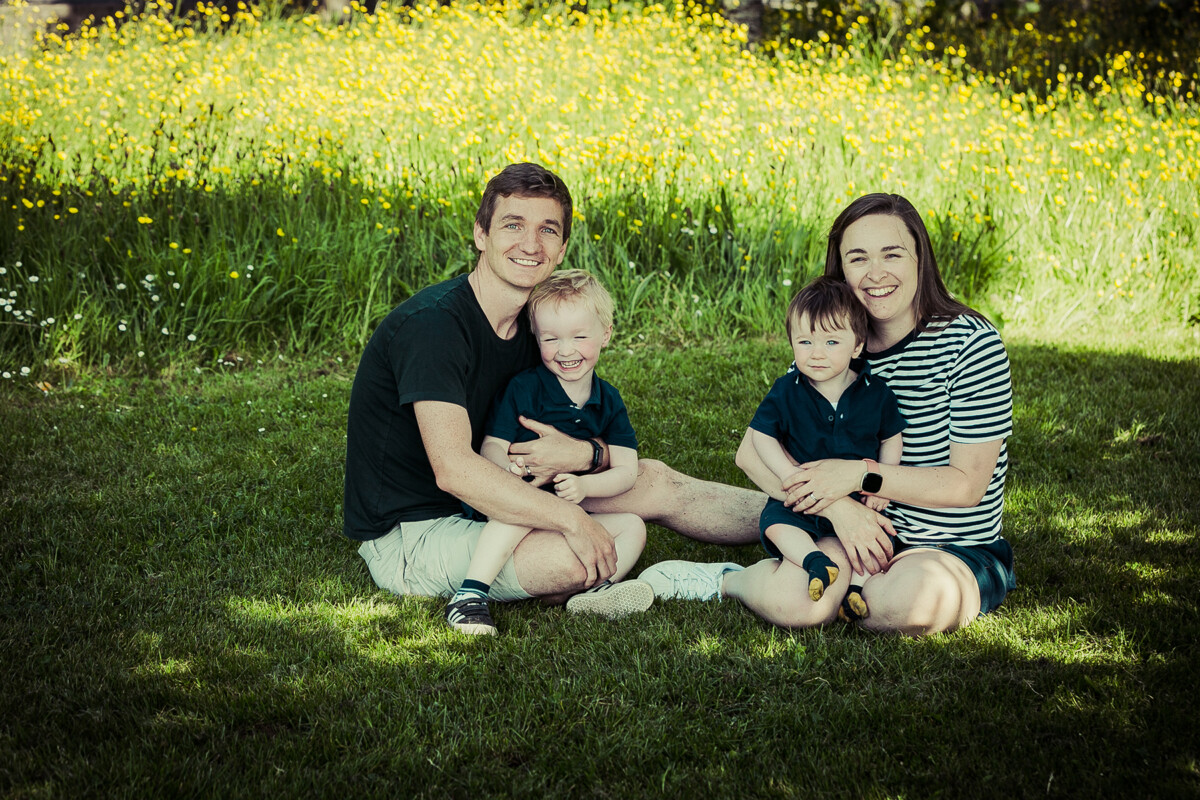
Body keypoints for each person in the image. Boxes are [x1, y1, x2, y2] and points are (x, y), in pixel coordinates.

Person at [343, 162, 764, 630]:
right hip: (416, 531)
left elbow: (573, 438)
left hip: (507, 490)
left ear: (562, 248)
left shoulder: (538, 329)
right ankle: (482, 594)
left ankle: (805, 521)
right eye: (512, 225)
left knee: (654, 480)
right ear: (481, 233)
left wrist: (588, 453)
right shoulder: (434, 328)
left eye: (547, 229)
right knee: (575, 555)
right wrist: (571, 518)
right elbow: (454, 469)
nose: (530, 244)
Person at [639, 193, 1016, 636]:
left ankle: (853, 586)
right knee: (801, 605)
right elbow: (752, 454)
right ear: (841, 268)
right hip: (845, 531)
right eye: (858, 258)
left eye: (892, 254)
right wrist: (838, 509)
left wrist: (858, 476)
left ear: (920, 259)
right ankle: (728, 580)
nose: (875, 274)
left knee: (912, 603)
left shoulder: (971, 344)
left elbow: (966, 484)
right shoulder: (831, 341)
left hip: (952, 547)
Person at [446, 269, 645, 635]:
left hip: (570, 508)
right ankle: (470, 595)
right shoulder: (525, 389)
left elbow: (627, 470)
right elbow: (492, 445)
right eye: (551, 338)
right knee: (518, 508)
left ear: (606, 335)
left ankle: (593, 590)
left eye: (579, 336)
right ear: (536, 338)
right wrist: (507, 472)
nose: (565, 351)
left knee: (633, 526)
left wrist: (587, 489)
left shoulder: (609, 400)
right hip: (522, 501)